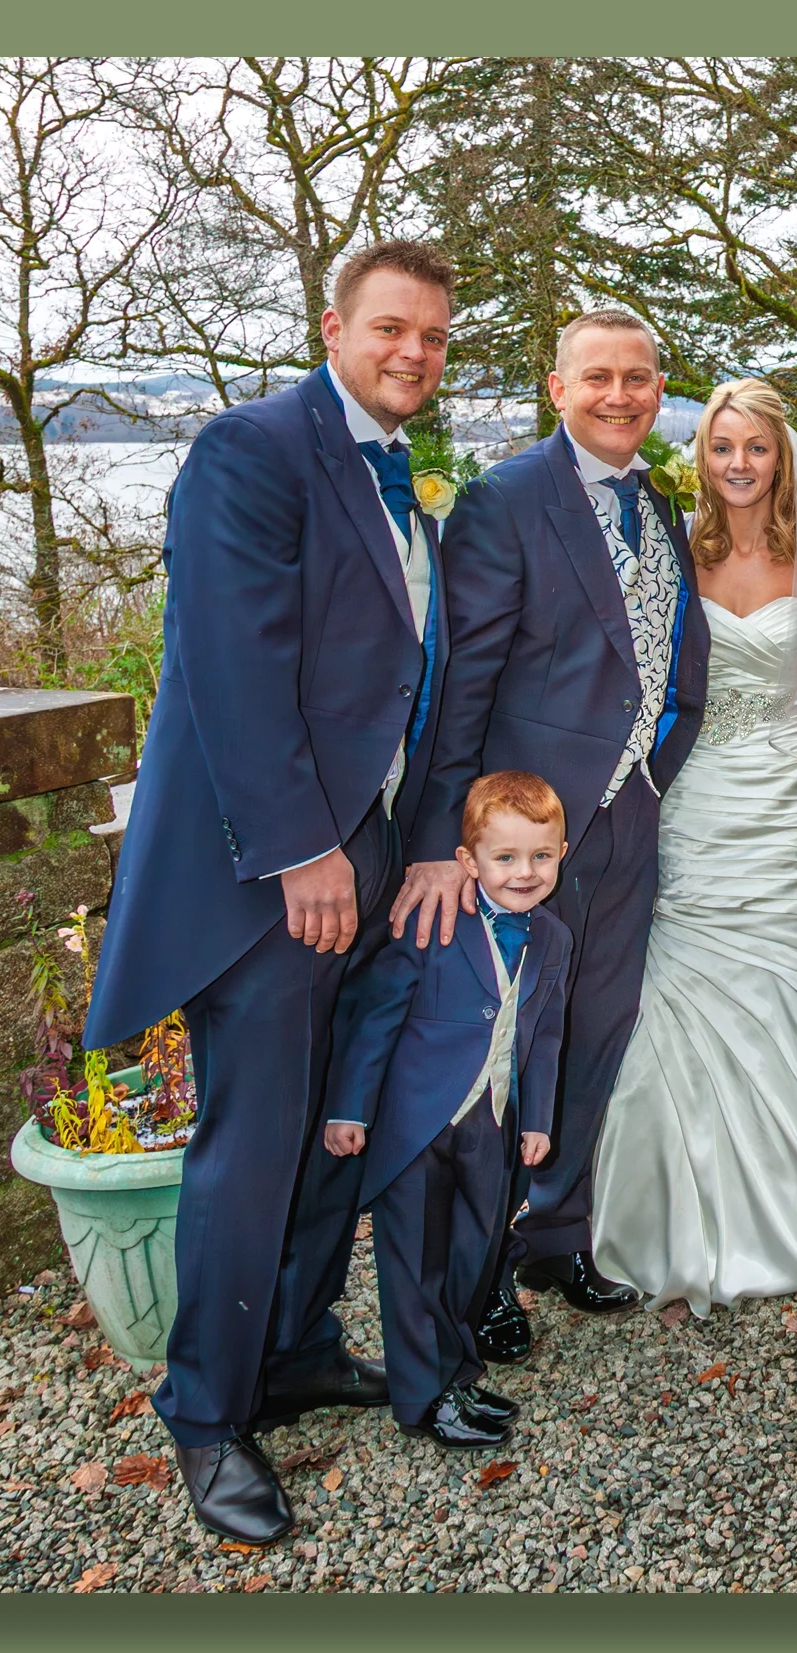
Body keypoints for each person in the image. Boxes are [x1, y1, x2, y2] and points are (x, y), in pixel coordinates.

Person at [82, 240, 456, 1542]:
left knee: (325, 1127)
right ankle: (205, 1413)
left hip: (365, 853)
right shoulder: (252, 448)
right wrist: (303, 854)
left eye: (433, 338)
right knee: (249, 1146)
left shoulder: (393, 474)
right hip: (269, 876)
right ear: (334, 325)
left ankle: (292, 1348)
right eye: (392, 328)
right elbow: (232, 665)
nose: (413, 352)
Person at [393, 310, 710, 1354]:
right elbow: (466, 680)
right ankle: (474, 1278)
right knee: (504, 1051)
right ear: (556, 386)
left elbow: (670, 659)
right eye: (599, 379)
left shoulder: (657, 503)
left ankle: (555, 1235)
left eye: (639, 379)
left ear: (659, 387)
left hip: (625, 821)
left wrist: (646, 779)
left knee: (594, 1031)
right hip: (521, 840)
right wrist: (453, 836)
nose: (621, 396)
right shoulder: (506, 498)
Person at [593, 380, 797, 1313]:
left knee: (791, 974)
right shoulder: (679, 552)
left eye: (755, 448)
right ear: (704, 457)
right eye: (722, 446)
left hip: (788, 797)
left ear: (781, 456)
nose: (738, 463)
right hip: (693, 798)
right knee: (680, 981)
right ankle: (678, 1205)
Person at [325, 773, 572, 1448]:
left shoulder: (554, 939)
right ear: (467, 861)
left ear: (562, 851)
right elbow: (376, 1019)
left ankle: (455, 1372)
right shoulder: (433, 923)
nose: (525, 872)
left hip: (490, 1124)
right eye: (506, 857)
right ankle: (422, 1398)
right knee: (414, 1267)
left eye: (541, 856)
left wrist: (538, 1119)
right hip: (415, 1127)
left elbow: (544, 1037)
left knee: (472, 1253)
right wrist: (350, 1108)